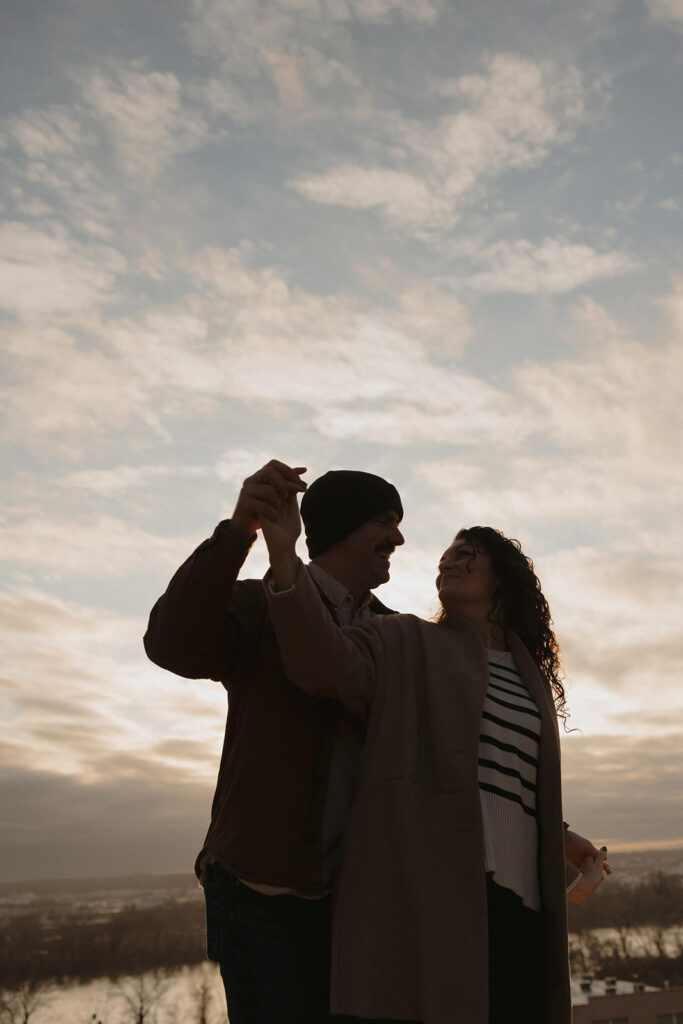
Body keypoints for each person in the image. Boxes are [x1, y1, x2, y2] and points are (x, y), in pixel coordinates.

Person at [261, 486, 609, 1024]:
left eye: (466, 554)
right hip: (439, 899)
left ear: (501, 579)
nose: (448, 560)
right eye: (445, 556)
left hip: (527, 907)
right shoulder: (403, 641)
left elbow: (504, 775)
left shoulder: (529, 676)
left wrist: (559, 836)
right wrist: (284, 559)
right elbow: (322, 664)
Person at [143, 460, 405, 1024]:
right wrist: (240, 531)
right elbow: (170, 643)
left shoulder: (395, 634)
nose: (398, 538)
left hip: (354, 899)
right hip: (257, 890)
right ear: (342, 526)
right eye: (384, 521)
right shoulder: (256, 605)